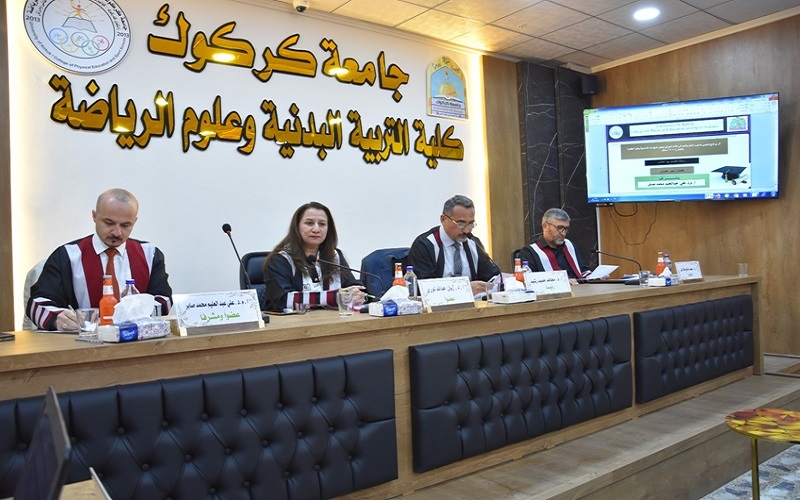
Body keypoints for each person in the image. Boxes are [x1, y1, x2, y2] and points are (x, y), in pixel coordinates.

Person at [27, 188, 173, 331]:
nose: (117, 232)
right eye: (109, 223)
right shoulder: (68, 255)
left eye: (125, 225)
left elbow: (164, 301)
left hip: (137, 344)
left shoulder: (150, 254)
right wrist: (58, 318)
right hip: (83, 346)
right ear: (94, 216)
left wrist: (134, 309)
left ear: (134, 222)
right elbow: (36, 304)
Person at [263, 201, 365, 311]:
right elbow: (283, 300)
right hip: (293, 325)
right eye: (309, 223)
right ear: (297, 227)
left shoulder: (334, 256)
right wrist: (334, 297)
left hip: (332, 323)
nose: (316, 229)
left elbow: (352, 286)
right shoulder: (280, 260)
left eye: (322, 224)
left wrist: (359, 294)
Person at [408, 195, 500, 297]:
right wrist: (465, 289)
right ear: (443, 219)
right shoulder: (425, 245)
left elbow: (492, 276)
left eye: (471, 224)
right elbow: (424, 289)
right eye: (460, 223)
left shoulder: (473, 243)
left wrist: (497, 283)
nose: (466, 230)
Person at [519, 207, 590, 285]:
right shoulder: (530, 252)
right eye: (559, 228)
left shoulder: (569, 245)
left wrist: (598, 277)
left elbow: (582, 270)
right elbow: (530, 281)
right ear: (545, 226)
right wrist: (562, 282)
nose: (563, 233)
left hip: (580, 290)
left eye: (566, 228)